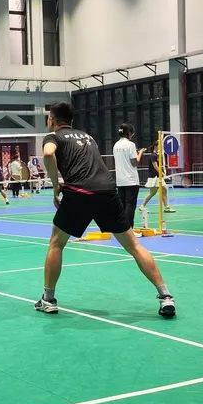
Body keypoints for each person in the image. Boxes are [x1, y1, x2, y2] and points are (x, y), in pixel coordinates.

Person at [36, 102, 176, 317]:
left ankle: (48, 299)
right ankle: (166, 296)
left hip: (79, 193)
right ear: (71, 120)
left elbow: (48, 154)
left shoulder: (53, 137)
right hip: (107, 191)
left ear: (52, 120)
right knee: (134, 245)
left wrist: (55, 186)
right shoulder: (87, 137)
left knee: (56, 243)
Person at [112, 123, 148, 227]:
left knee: (122, 206)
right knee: (130, 206)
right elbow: (135, 162)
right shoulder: (130, 145)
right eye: (131, 133)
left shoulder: (116, 145)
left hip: (120, 181)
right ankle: (129, 229)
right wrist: (140, 153)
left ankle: (123, 230)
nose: (132, 135)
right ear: (128, 133)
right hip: (131, 181)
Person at [139, 145, 174, 214]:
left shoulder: (156, 155)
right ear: (155, 146)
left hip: (158, 176)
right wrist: (163, 174)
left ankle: (166, 207)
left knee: (164, 189)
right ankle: (142, 206)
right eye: (159, 145)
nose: (161, 147)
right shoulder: (153, 155)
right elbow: (156, 167)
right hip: (154, 177)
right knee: (153, 193)